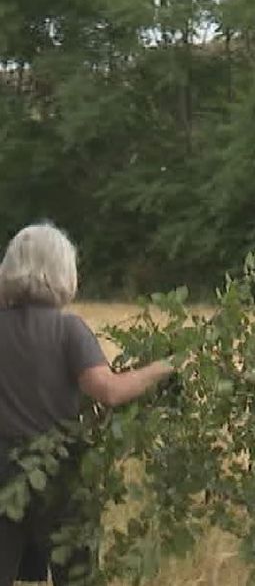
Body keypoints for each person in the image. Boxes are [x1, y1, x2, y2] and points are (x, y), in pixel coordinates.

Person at [0, 223, 175, 586]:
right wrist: (161, 369)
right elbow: (108, 391)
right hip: (62, 474)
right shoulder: (69, 330)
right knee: (76, 576)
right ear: (64, 271)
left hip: (2, 471)